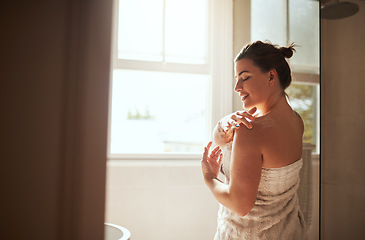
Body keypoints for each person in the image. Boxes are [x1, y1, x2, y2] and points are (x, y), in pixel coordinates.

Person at [201, 41, 307, 239]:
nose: (237, 87)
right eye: (236, 79)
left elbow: (239, 205)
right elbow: (220, 139)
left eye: (245, 77)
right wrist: (225, 121)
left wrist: (210, 178)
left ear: (271, 76)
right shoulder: (296, 122)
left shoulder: (251, 131)